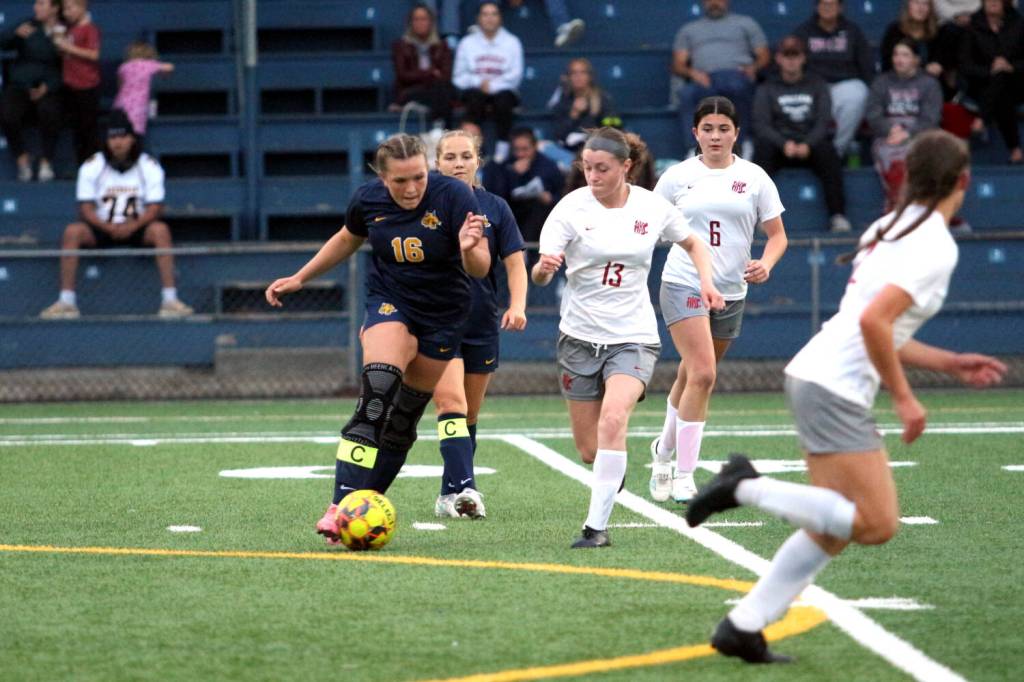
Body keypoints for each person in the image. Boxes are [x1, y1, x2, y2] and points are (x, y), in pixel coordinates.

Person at [685, 129, 1007, 664]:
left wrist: (949, 363)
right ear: (964, 181)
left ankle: (742, 625)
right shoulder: (934, 242)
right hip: (832, 386)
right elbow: (877, 325)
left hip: (819, 376)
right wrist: (905, 399)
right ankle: (745, 487)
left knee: (833, 527)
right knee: (876, 524)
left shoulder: (892, 225)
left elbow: (874, 325)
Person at [264, 133, 491, 546]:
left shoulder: (455, 195)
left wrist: (469, 247)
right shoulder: (367, 200)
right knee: (376, 397)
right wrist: (301, 277)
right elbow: (348, 237)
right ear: (382, 178)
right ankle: (339, 509)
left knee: (403, 421)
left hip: (444, 318)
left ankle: (366, 505)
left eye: (418, 178)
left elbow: (479, 269)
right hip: (392, 304)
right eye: (400, 181)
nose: (411, 189)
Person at [531, 127, 724, 549]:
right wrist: (545, 268)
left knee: (614, 420)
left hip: (633, 337)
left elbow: (694, 244)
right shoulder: (569, 209)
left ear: (626, 167)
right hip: (579, 338)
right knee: (589, 450)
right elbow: (540, 276)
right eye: (587, 168)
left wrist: (706, 284)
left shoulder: (652, 208)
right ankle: (609, 474)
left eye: (602, 168)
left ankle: (595, 529)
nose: (593, 176)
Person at [650, 96, 789, 504]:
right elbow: (649, 228)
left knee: (691, 375)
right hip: (683, 282)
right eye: (707, 129)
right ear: (695, 133)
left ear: (736, 134)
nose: (715, 136)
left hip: (731, 289)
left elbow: (778, 235)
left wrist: (767, 262)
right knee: (705, 375)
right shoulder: (677, 177)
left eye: (723, 129)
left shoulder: (755, 177)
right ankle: (684, 475)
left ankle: (662, 452)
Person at [432, 129, 528, 518]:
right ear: (436, 164)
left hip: (481, 321)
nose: (457, 163)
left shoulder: (495, 207)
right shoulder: (424, 207)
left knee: (468, 415)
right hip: (437, 322)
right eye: (449, 157)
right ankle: (466, 490)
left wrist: (517, 304)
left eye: (465, 156)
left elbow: (516, 263)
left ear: (478, 161)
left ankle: (446, 493)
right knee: (450, 405)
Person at [39, 109, 193, 319]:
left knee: (161, 230)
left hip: (137, 226)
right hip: (102, 227)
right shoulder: (93, 165)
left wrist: (133, 225)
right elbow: (85, 208)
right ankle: (66, 302)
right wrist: (107, 226)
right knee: (72, 232)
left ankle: (170, 300)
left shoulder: (147, 165)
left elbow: (156, 207)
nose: (117, 142)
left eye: (122, 137)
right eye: (113, 137)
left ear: (132, 139)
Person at [754, 36, 850, 233]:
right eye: (786, 55)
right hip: (780, 145)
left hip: (810, 144)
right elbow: (761, 124)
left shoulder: (817, 84)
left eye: (795, 55)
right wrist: (783, 144)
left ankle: (838, 216)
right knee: (762, 150)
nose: (791, 60)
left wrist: (808, 143)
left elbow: (824, 120)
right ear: (778, 58)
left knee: (828, 152)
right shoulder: (767, 87)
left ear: (803, 58)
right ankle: (760, 218)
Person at [670, 0, 770, 157]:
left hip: (736, 74)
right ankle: (694, 148)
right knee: (686, 94)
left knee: (738, 87)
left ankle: (742, 144)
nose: (714, 3)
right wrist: (693, 73)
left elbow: (764, 55)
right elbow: (678, 64)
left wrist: (753, 68)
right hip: (703, 78)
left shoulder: (745, 23)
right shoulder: (689, 29)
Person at [867, 39, 943, 212]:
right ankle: (897, 203)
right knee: (890, 155)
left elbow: (931, 118)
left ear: (916, 59)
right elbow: (873, 114)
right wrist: (890, 129)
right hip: (889, 134)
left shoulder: (929, 84)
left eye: (905, 55)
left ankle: (931, 208)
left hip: (920, 133)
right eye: (896, 54)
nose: (899, 59)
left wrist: (909, 133)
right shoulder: (881, 82)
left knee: (928, 152)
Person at [794, 0, 876, 159]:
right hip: (813, 86)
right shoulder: (804, 31)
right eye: (823, 4)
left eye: (832, 4)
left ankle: (836, 151)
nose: (827, 8)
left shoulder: (852, 31)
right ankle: (804, 149)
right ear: (817, 7)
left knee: (858, 94)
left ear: (840, 7)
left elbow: (865, 64)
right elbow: (794, 61)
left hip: (843, 85)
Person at [0, 0, 63, 182]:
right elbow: (2, 42)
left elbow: (66, 64)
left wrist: (48, 86)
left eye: (42, 4)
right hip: (20, 86)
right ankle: (22, 160)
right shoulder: (27, 25)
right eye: (36, 3)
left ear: (54, 8)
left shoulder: (63, 31)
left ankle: (46, 162)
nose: (36, 7)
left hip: (49, 87)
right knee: (7, 112)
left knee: (50, 111)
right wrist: (14, 35)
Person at [452, 2, 523, 163]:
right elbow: (458, 76)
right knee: (474, 98)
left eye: (494, 14)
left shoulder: (512, 42)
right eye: (485, 14)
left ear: (500, 18)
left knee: (504, 100)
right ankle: (477, 148)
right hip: (475, 90)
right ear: (478, 18)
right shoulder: (467, 43)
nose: (489, 18)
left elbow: (515, 76)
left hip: (504, 90)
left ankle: (503, 144)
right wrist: (478, 82)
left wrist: (492, 86)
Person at [959, 0, 1024, 163]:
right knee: (1000, 86)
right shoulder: (972, 25)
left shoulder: (1018, 24)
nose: (993, 2)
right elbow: (965, 65)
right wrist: (989, 71)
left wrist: (1011, 67)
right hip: (981, 83)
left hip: (1016, 81)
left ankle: (981, 119)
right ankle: (1015, 150)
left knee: (1002, 77)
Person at [492, 127, 564, 245]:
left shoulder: (549, 167)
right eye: (517, 150)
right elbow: (498, 196)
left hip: (541, 216)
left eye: (525, 149)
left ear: (535, 146)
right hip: (514, 214)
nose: (520, 154)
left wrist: (550, 199)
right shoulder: (506, 166)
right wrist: (514, 174)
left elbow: (562, 195)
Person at [391, 4, 456, 127]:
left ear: (431, 22)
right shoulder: (400, 46)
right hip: (410, 92)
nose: (420, 23)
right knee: (442, 91)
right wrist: (429, 73)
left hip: (437, 89)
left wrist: (426, 76)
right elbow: (403, 75)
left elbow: (446, 75)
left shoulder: (442, 46)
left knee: (442, 88)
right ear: (410, 23)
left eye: (424, 19)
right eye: (416, 19)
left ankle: (438, 128)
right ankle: (442, 130)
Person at [55, 0, 100, 166]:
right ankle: (81, 165)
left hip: (87, 85)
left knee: (88, 129)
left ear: (82, 8)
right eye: (64, 9)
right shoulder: (69, 29)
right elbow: (64, 53)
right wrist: (61, 46)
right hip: (71, 85)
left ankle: (93, 166)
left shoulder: (90, 29)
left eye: (70, 8)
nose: (66, 12)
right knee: (77, 129)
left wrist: (68, 48)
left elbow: (94, 55)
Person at [548, 58, 618, 157]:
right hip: (569, 152)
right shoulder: (563, 101)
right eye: (574, 73)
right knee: (543, 147)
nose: (578, 76)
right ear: (568, 77)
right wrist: (573, 115)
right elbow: (558, 135)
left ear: (590, 76)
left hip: (596, 151)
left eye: (583, 72)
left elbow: (613, 129)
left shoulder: (603, 99)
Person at [112, 41, 174, 144]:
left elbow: (120, 85)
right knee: (135, 134)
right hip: (138, 105)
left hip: (121, 104)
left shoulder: (123, 67)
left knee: (120, 133)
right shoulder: (149, 65)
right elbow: (169, 67)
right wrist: (164, 74)